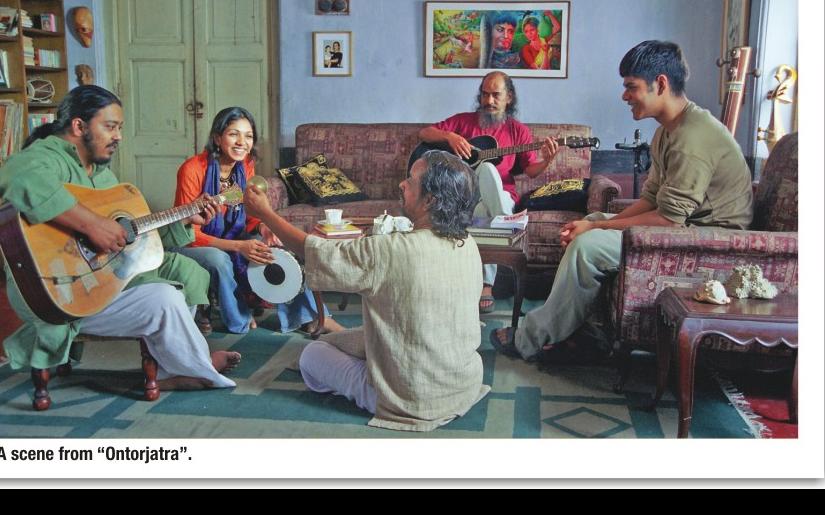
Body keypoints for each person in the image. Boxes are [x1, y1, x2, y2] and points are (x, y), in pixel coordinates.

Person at [491, 40, 754, 361]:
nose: (624, 96)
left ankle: (530, 338)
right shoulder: (668, 131)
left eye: (631, 87)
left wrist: (596, 230)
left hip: (710, 241)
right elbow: (651, 199)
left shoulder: (693, 137)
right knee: (588, 223)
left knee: (587, 246)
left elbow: (669, 220)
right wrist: (596, 223)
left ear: (660, 84)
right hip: (684, 227)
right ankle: (581, 332)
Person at [0, 85, 239, 390]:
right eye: (110, 127)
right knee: (163, 297)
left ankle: (178, 365)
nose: (119, 136)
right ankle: (197, 369)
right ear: (79, 126)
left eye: (120, 128)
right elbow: (17, 176)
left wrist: (184, 219)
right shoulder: (46, 156)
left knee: (184, 269)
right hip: (60, 292)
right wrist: (92, 225)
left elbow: (131, 237)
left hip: (104, 278)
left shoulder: (102, 175)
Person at [243, 150, 490, 432]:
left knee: (312, 354)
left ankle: (370, 387)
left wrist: (266, 214)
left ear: (430, 200)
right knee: (362, 335)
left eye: (411, 180)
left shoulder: (392, 250)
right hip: (463, 384)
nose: (402, 184)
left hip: (412, 398)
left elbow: (315, 252)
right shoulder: (466, 242)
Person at [173, 107, 342, 335]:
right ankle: (239, 319)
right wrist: (239, 246)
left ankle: (313, 317)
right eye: (233, 134)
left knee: (279, 248)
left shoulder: (244, 166)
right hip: (192, 243)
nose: (241, 142)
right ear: (217, 138)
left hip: (232, 236)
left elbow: (250, 213)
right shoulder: (192, 169)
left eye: (248, 136)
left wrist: (264, 228)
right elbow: (189, 234)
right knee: (219, 259)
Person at [418, 71, 560, 313]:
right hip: (466, 195)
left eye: (496, 95)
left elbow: (531, 171)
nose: (489, 101)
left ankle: (485, 283)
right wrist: (450, 136)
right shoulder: (463, 121)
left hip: (501, 197)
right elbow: (424, 133)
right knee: (481, 186)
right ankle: (507, 224)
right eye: (485, 94)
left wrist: (547, 161)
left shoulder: (518, 131)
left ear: (509, 97)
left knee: (486, 182)